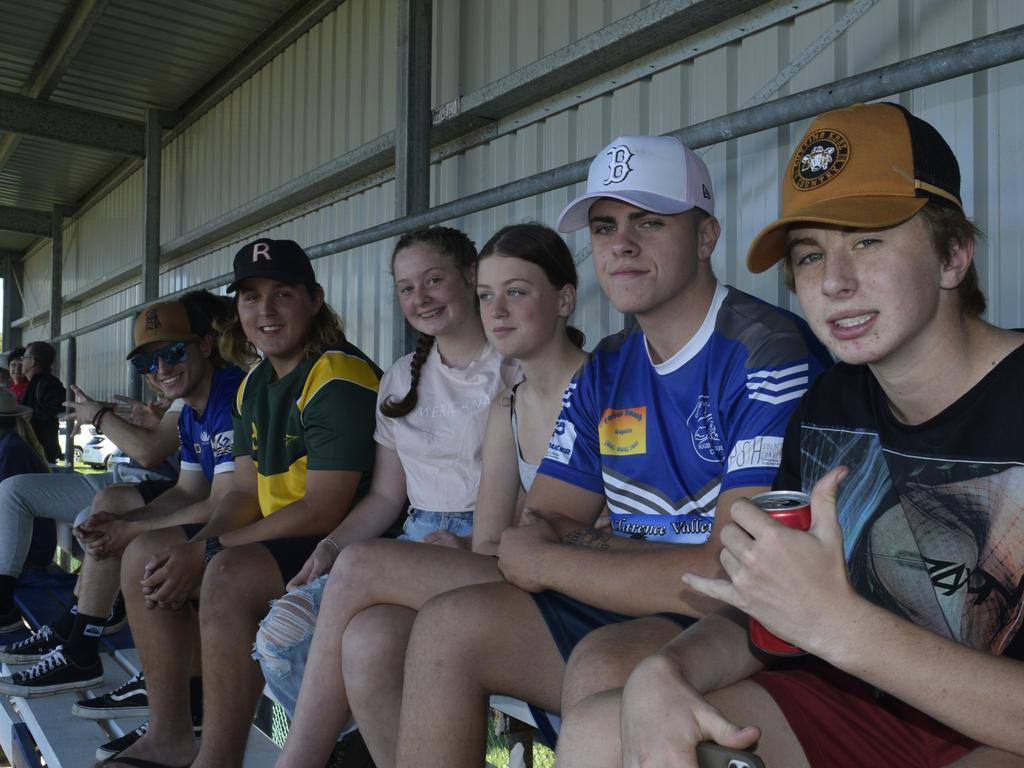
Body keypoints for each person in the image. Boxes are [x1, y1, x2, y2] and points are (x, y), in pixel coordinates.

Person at [555, 102, 1024, 768]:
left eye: (868, 240)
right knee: (601, 731)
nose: (834, 282)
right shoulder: (829, 407)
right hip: (863, 710)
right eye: (810, 255)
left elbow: (823, 621)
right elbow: (765, 610)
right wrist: (670, 670)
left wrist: (842, 627)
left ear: (952, 255)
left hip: (997, 729)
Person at [393, 135, 833, 767]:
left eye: (649, 222)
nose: (621, 244)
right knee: (444, 627)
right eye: (604, 227)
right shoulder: (607, 365)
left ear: (706, 236)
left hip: (734, 623)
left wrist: (563, 557)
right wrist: (617, 555)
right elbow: (536, 526)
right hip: (630, 590)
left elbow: (726, 575)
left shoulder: (766, 350)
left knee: (605, 663)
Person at [264, 223, 585, 768]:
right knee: (358, 638)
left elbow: (537, 517)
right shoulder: (437, 387)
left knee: (362, 566)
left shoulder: (535, 376)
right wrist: (329, 548)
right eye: (407, 288)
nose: (420, 298)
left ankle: (300, 759)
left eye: (435, 280)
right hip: (453, 544)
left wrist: (466, 547)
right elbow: (393, 499)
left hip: (530, 568)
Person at [104, 238, 381, 768]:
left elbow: (323, 511)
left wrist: (208, 553)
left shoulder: (337, 374)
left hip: (341, 543)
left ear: (315, 299)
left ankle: (218, 757)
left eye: (282, 294)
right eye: (251, 298)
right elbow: (241, 493)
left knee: (226, 573)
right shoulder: (256, 382)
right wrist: (203, 542)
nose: (266, 311)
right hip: (281, 534)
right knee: (146, 554)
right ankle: (170, 733)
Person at [0, 296, 242, 705]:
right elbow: (188, 490)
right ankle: (81, 640)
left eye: (173, 353)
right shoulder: (193, 403)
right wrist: (123, 523)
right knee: (112, 513)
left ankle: (157, 678)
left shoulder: (231, 394)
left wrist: (132, 527)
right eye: (149, 363)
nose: (162, 370)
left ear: (206, 343)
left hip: (266, 532)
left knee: (141, 544)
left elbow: (219, 500)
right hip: (213, 510)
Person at [19, 341, 65, 463]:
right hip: (31, 450)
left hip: (41, 453)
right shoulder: (34, 384)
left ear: (33, 362)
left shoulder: (49, 383)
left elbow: (58, 407)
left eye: (24, 357)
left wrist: (32, 414)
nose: (21, 361)